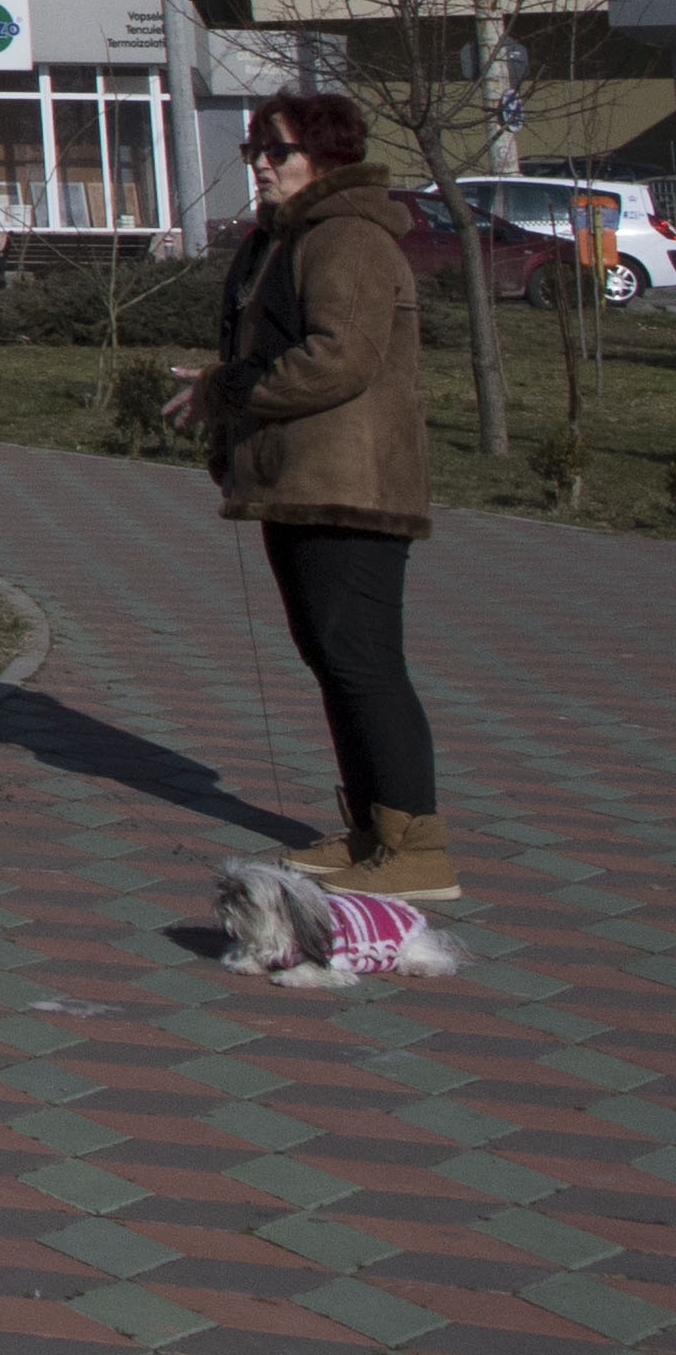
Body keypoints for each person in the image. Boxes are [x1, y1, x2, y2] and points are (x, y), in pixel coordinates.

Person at [171, 91, 451, 898]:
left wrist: (232, 389)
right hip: (303, 484)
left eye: (279, 151)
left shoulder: (351, 237)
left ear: (326, 159)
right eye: (256, 150)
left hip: (352, 489)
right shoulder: (290, 239)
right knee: (333, 659)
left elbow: (339, 358)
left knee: (363, 661)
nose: (261, 163)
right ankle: (374, 828)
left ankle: (418, 845)